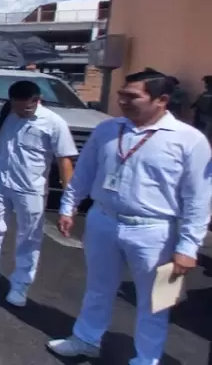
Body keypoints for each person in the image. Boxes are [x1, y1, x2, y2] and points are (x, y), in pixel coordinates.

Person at [47, 69, 212, 364]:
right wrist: (68, 205)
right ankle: (86, 338)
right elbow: (85, 171)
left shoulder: (190, 141)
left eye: (132, 96)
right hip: (104, 221)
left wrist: (188, 247)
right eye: (122, 94)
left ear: (161, 100)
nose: (122, 100)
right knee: (98, 288)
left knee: (156, 303)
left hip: (156, 231)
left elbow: (199, 198)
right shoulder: (108, 129)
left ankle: (146, 359)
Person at [0, 80, 77, 307]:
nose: (21, 111)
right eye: (16, 106)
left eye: (26, 107)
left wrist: (68, 201)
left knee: (28, 238)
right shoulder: (6, 112)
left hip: (31, 189)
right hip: (1, 181)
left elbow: (65, 160)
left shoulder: (54, 123)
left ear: (37, 100)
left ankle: (20, 285)